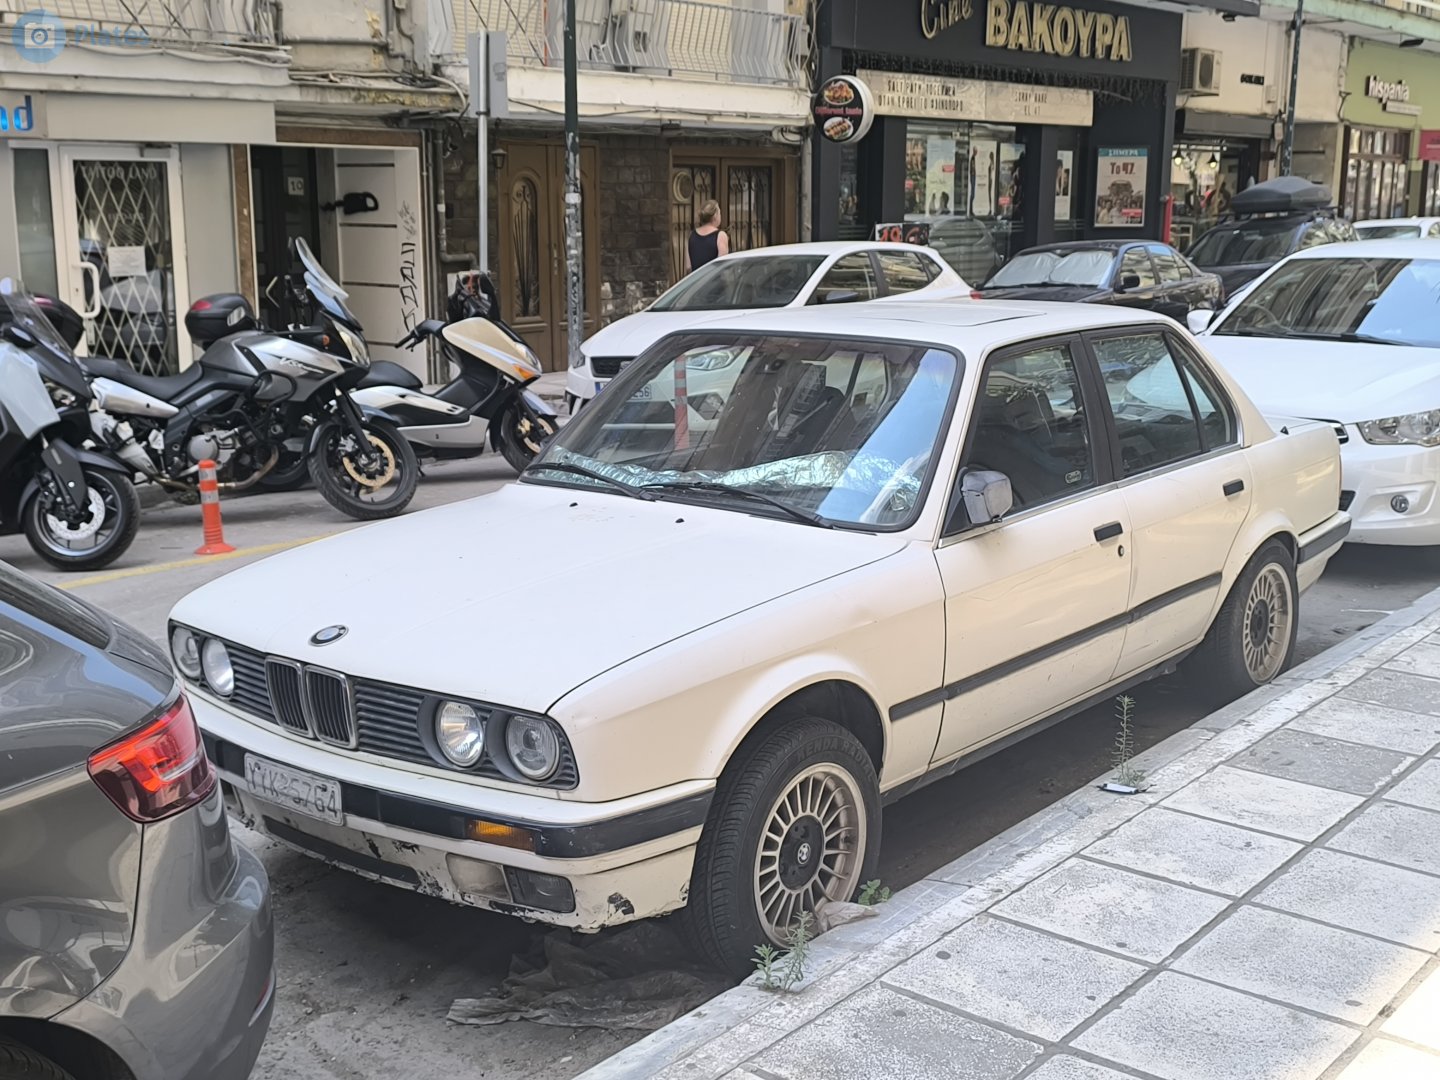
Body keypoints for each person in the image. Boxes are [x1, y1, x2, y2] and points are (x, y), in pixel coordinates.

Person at [686, 200, 730, 274]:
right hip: (714, 282)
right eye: (720, 213)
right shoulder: (720, 235)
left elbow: (688, 267)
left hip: (697, 281)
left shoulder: (691, 235)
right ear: (715, 216)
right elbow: (722, 265)